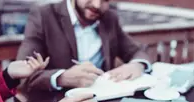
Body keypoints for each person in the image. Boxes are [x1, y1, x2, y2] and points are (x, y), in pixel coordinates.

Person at [17, 0, 152, 92]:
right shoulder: (44, 15)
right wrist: (61, 78)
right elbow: (22, 72)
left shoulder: (109, 18)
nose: (97, 4)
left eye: (105, 0)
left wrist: (137, 65)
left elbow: (137, 51)